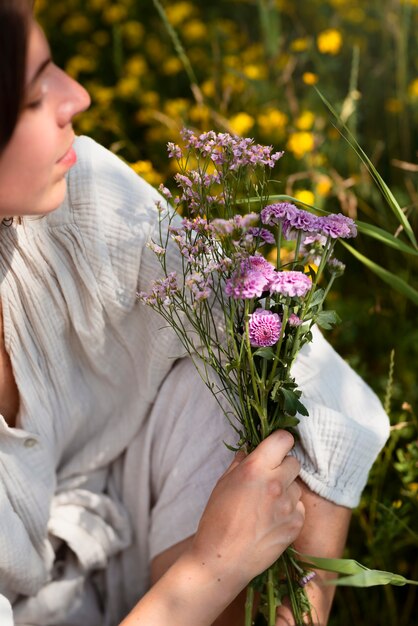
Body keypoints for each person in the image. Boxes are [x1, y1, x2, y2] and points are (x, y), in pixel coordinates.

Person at [0, 1, 390, 625]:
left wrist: (293, 591)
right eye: (30, 98)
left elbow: (307, 369)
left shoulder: (67, 197)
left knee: (256, 384)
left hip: (114, 520)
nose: (76, 97)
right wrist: (216, 564)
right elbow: (215, 563)